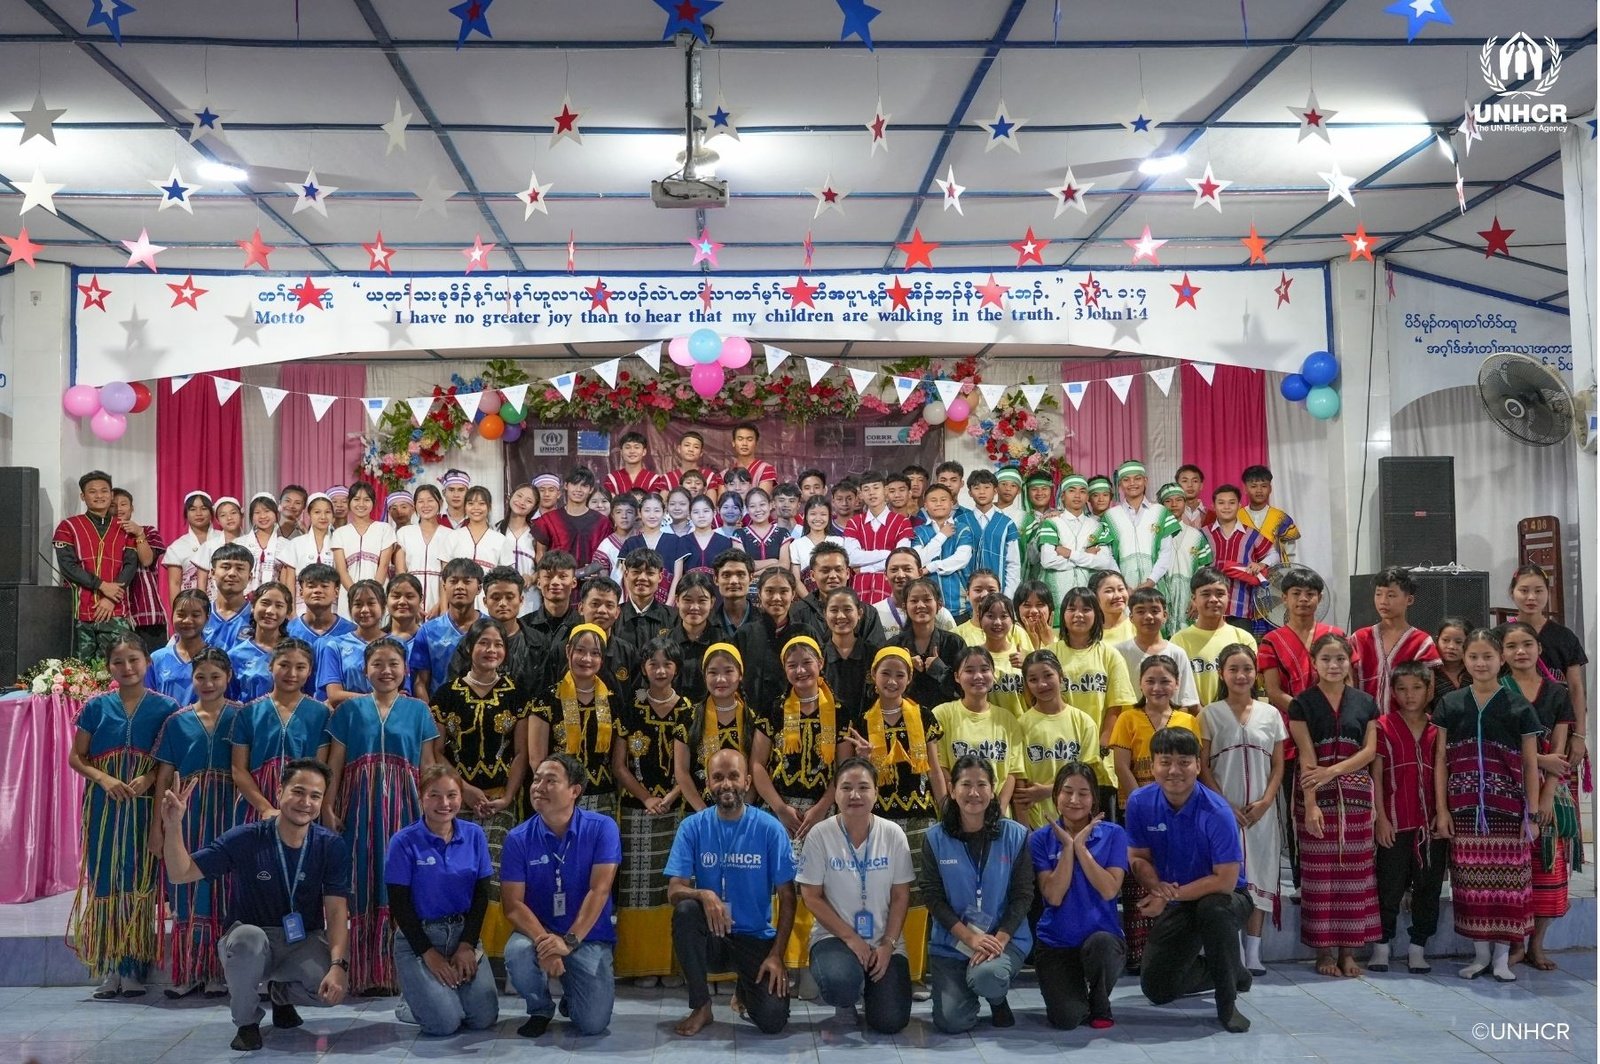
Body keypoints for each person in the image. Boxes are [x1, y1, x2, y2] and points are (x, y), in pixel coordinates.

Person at [160, 758, 351, 1051]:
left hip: (302, 941)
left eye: (315, 796)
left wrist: (338, 965)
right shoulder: (247, 838)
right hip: (252, 938)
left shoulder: (330, 845)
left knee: (327, 990)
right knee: (247, 940)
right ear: (279, 791)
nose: (306, 802)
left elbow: (336, 911)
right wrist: (173, 826)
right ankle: (247, 1022)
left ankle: (281, 995)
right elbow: (180, 873)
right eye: (298, 792)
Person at [325, 637, 440, 993]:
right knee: (361, 879)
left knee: (402, 881)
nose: (386, 671)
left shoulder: (419, 711)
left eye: (393, 664)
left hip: (406, 808)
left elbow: (428, 765)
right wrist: (328, 806)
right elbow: (335, 765)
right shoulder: (348, 711)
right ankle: (362, 971)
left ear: (405, 670)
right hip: (359, 807)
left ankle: (401, 972)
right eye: (377, 664)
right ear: (365, 671)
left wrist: (433, 810)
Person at [68, 634, 180, 998]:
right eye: (119, 662)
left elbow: (169, 760)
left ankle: (132, 966)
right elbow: (76, 757)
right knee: (105, 879)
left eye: (134, 660)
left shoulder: (166, 708)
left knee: (137, 879)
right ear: (108, 667)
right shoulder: (95, 707)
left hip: (143, 808)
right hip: (104, 807)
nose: (127, 668)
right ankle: (109, 967)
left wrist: (148, 778)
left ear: (148, 662)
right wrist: (103, 778)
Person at [1127, 727, 1254, 1033]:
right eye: (1165, 762)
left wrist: (1167, 895)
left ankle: (1227, 1003)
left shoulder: (1217, 811)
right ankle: (1230, 970)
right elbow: (1138, 858)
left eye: (1184, 762)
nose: (1174, 770)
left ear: (1198, 765)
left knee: (1214, 910)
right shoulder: (1139, 802)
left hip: (1226, 898)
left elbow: (1225, 881)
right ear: (1152, 765)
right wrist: (1156, 888)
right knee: (1157, 988)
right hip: (1179, 898)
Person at [1432, 627, 1542, 982]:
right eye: (1474, 656)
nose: (1481, 663)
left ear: (1501, 659)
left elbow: (1530, 764)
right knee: (1471, 885)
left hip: (1508, 810)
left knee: (1507, 887)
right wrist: (1442, 810)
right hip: (1464, 810)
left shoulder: (1518, 706)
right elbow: (1440, 760)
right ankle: (1480, 956)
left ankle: (1501, 959)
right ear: (1465, 660)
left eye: (1488, 656)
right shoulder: (1450, 703)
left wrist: (1532, 814)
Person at [666, 748, 796, 1036]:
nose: (726, 784)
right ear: (708, 784)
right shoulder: (692, 827)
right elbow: (674, 890)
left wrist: (777, 955)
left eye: (734, 776)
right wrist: (703, 895)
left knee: (773, 1020)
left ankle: (745, 989)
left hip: (754, 937)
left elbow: (788, 897)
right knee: (686, 911)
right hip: (713, 936)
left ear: (747, 782)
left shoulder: (770, 829)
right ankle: (702, 1006)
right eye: (718, 777)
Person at [501, 753, 621, 1038]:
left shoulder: (602, 828)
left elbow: (600, 889)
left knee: (593, 1025)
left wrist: (568, 942)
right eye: (537, 779)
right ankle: (540, 1008)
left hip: (586, 935)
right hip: (538, 932)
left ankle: (572, 996)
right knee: (517, 952)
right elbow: (513, 904)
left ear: (574, 791)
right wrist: (546, 943)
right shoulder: (517, 838)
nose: (538, 787)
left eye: (550, 781)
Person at [431, 618, 532, 959]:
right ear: (469, 648)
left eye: (498, 644)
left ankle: (494, 952)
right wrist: (464, 789)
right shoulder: (447, 694)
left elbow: (522, 752)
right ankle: (457, 946)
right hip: (455, 802)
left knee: (496, 874)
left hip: (501, 800)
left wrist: (508, 796)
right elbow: (437, 751)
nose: (491, 650)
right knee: (458, 870)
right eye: (484, 643)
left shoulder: (516, 694)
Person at [797, 757, 915, 1033]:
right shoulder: (820, 835)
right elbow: (811, 896)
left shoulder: (893, 834)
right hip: (835, 938)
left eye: (863, 787)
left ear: (876, 792)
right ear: (835, 792)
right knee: (841, 983)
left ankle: (872, 991)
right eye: (846, 788)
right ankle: (848, 996)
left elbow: (901, 896)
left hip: (884, 938)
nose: (855, 795)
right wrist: (851, 938)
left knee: (890, 1022)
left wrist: (887, 944)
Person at [150, 647, 243, 997]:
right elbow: (164, 776)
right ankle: (189, 970)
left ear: (228, 677)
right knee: (187, 886)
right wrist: (158, 827)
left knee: (226, 886)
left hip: (230, 810)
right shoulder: (177, 721)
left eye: (215, 676)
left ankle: (222, 971)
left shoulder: (242, 716)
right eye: (200, 677)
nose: (208, 683)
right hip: (187, 812)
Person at [918, 754, 1033, 1033]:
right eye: (965, 784)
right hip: (953, 941)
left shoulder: (1015, 835)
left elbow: (1023, 895)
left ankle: (996, 997)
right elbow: (933, 897)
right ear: (952, 789)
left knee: (988, 975)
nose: (974, 793)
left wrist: (997, 940)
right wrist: (970, 938)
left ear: (992, 790)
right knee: (952, 1022)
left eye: (982, 785)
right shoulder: (934, 838)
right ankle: (967, 988)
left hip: (1004, 938)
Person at [1289, 633, 1381, 978]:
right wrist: (1311, 804)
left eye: (1340, 659)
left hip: (1357, 798)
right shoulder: (1302, 703)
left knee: (1355, 875)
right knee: (1320, 878)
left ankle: (1349, 951)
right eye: (1326, 659)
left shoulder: (1366, 702)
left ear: (1349, 661)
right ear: (1314, 663)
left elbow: (1369, 751)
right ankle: (1324, 951)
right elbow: (1306, 756)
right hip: (1316, 795)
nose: (1333, 665)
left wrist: (1333, 771)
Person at [384, 763, 498, 1036]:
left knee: (483, 1018)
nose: (444, 803)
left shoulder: (474, 835)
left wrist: (467, 945)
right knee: (444, 1024)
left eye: (451, 795)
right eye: (434, 795)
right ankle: (410, 1002)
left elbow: (482, 896)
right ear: (421, 797)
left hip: (462, 935)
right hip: (420, 938)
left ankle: (440, 996)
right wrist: (429, 954)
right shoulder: (403, 841)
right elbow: (399, 905)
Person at [1198, 644, 1286, 977]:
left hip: (1261, 812)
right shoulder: (1210, 714)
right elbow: (1203, 766)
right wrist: (1223, 806)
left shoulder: (1271, 714)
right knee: (1228, 877)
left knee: (1260, 874)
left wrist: (1266, 801)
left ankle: (1253, 952)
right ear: (1222, 673)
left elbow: (1278, 765)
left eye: (1247, 669)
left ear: (1256, 673)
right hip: (1223, 812)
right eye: (1233, 669)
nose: (1241, 675)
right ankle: (1230, 950)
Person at [1110, 655, 1202, 969]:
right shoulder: (1127, 718)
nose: (1157, 687)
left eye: (1165, 681)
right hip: (1138, 808)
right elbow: (1121, 766)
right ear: (1140, 684)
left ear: (1177, 684)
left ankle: (1177, 955)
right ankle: (1140, 955)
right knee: (1140, 874)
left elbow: (1193, 767)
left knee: (1176, 874)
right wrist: (1144, 802)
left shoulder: (1188, 720)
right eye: (1150, 680)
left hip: (1180, 810)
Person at [611, 637, 693, 982]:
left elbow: (689, 768)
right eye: (653, 664)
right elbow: (619, 765)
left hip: (677, 810)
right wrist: (646, 798)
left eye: (667, 664)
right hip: (636, 810)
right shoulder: (630, 707)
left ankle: (672, 964)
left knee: (671, 884)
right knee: (636, 888)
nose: (660, 671)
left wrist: (670, 797)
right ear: (643, 668)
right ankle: (638, 964)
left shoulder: (689, 709)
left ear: (677, 668)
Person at [1499, 622, 1577, 972]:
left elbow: (1558, 753)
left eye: (1527, 644)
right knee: (1513, 872)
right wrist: (1538, 760)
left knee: (1548, 872)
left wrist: (1545, 798)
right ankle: (1515, 943)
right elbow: (1497, 746)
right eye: (1512, 646)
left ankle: (1536, 945)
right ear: (1502, 653)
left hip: (1549, 791)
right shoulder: (1497, 690)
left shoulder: (1557, 693)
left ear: (1539, 649)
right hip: (1507, 786)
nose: (1520, 651)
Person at [1031, 762, 1129, 1031]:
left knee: (1103, 945)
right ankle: (1075, 993)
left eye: (1083, 793)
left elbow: (1109, 889)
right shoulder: (1040, 839)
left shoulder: (1114, 834)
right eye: (1067, 791)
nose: (1074, 800)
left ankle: (1100, 1001)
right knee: (1067, 1019)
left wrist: (1081, 848)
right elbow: (1053, 896)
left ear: (1094, 798)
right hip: (1056, 943)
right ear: (1056, 796)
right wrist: (1067, 847)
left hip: (1101, 939)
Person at [1369, 661, 1447, 976]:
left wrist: (1442, 813)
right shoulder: (1381, 726)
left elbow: (1444, 773)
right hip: (1395, 821)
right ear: (1393, 692)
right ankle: (1381, 945)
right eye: (1402, 689)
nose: (1409, 695)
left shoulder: (1438, 728)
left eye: (1416, 688)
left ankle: (1418, 947)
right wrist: (1380, 818)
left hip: (1430, 823)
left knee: (1428, 885)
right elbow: (1376, 775)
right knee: (1388, 884)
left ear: (1429, 690)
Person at [1050, 587, 1137, 812]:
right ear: (1062, 614)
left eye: (1086, 609)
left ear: (1097, 614)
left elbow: (1117, 704)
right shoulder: (1051, 654)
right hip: (1060, 751)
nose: (1078, 614)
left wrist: (1102, 744)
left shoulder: (1110, 654)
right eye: (1072, 609)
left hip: (1100, 758)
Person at [528, 624, 621, 815]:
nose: (587, 659)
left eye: (595, 653)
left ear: (602, 659)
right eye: (580, 651)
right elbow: (536, 758)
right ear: (568, 651)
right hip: (558, 796)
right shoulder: (547, 700)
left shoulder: (613, 701)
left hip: (603, 796)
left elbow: (618, 760)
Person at [1509, 563, 1589, 787]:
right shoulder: (1500, 636)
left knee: (1557, 797)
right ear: (1512, 592)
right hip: (1512, 730)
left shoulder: (1564, 637)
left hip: (1558, 729)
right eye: (1524, 590)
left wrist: (1579, 735)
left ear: (1548, 592)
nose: (1531, 597)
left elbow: (1575, 688)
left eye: (1538, 590)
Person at [232, 641, 330, 820]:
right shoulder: (248, 713)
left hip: (302, 806)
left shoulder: (321, 713)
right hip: (256, 806)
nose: (292, 673)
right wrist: (265, 809)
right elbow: (238, 769)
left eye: (300, 667)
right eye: (284, 665)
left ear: (310, 671)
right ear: (270, 666)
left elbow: (319, 768)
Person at [1013, 649, 1104, 830]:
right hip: (1038, 826)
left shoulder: (1084, 722)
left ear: (1061, 676)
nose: (1042, 684)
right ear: (1026, 684)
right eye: (1033, 679)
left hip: (1079, 823)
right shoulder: (1020, 725)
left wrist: (1048, 791)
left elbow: (1089, 776)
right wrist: (1025, 833)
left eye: (1048, 675)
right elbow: (1020, 789)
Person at [55, 470, 138, 658]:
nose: (99, 496)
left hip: (115, 610)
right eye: (92, 491)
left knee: (116, 665)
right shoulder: (68, 527)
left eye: (104, 491)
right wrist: (101, 585)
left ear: (111, 495)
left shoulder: (125, 528)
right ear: (83, 496)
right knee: (79, 671)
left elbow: (130, 566)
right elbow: (68, 567)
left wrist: (111, 598)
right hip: (79, 612)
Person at [933, 647, 1025, 816]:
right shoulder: (941, 715)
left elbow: (1012, 772)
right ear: (957, 677)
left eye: (984, 670)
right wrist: (956, 807)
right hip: (956, 814)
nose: (978, 676)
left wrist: (999, 810)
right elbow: (940, 767)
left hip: (997, 816)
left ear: (993, 674)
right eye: (969, 671)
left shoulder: (1008, 719)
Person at [674, 644, 760, 809]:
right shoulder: (689, 718)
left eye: (728, 671)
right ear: (704, 676)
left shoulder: (753, 719)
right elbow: (681, 771)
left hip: (743, 812)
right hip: (698, 812)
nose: (721, 679)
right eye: (713, 673)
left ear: (740, 675)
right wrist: (704, 813)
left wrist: (743, 811)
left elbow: (756, 769)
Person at [1350, 567, 1441, 714]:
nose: (1383, 601)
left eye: (1391, 595)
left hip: (1404, 723)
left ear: (1409, 600)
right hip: (1365, 722)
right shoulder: (1359, 638)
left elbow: (1427, 692)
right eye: (1378, 594)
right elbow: (1349, 685)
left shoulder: (1422, 642)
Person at [1173, 567, 1259, 706]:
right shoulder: (1179, 641)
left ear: (1228, 597)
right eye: (1206, 594)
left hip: (1235, 715)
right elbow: (1177, 689)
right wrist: (1204, 714)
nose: (1213, 599)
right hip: (1193, 717)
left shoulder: (1244, 639)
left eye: (1220, 594)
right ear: (1194, 599)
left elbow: (1250, 685)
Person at [1091, 460, 1180, 591]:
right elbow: (1108, 555)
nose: (1132, 483)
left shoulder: (1161, 512)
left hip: (1155, 587)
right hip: (1123, 591)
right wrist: (1123, 585)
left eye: (1137, 478)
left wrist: (1150, 582)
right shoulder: (1110, 516)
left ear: (1145, 481)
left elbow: (1166, 553)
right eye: (1126, 480)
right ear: (1120, 484)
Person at [1113, 587, 1202, 710]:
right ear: (1131, 617)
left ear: (1165, 615)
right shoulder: (1119, 652)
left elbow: (1187, 699)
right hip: (1129, 721)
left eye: (1155, 611)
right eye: (1140, 611)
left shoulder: (1177, 653)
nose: (1148, 616)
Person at [410, 558, 486, 699]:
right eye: (454, 581)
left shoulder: (491, 628)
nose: (460, 587)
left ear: (479, 588)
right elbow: (420, 682)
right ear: (444, 586)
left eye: (467, 581)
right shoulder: (428, 631)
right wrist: (429, 712)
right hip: (439, 709)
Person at [1036, 474, 1113, 610]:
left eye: (1082, 491)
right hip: (1056, 591)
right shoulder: (1051, 523)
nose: (1077, 495)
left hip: (1089, 592)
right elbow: (1048, 561)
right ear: (1062, 496)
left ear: (1087, 497)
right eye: (1072, 491)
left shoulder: (1097, 526)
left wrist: (1069, 553)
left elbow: (1104, 562)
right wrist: (1085, 555)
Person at [1202, 483, 1272, 632]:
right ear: (1213, 506)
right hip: (1209, 605)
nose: (1226, 507)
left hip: (1241, 607)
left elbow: (1274, 554)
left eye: (1231, 503)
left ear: (1239, 505)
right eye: (1221, 503)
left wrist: (1261, 564)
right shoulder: (1203, 534)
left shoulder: (1251, 534)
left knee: (1242, 645)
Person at [842, 470, 914, 606]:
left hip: (891, 589)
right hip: (859, 591)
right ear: (860, 494)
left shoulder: (902, 522)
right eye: (866, 489)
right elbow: (851, 558)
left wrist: (864, 569)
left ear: (885, 490)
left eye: (876, 488)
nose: (871, 493)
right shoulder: (854, 522)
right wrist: (887, 553)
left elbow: (901, 560)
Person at [894, 577, 966, 713]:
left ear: (939, 605)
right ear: (904, 606)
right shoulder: (894, 646)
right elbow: (883, 688)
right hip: (906, 717)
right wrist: (906, 668)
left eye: (927, 600)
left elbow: (965, 688)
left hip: (947, 717)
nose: (921, 605)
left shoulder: (955, 643)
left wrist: (941, 670)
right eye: (914, 601)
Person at [111, 488, 168, 652]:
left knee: (153, 661)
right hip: (116, 611)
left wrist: (139, 534)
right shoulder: (104, 538)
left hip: (147, 611)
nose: (119, 508)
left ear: (132, 508)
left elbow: (147, 560)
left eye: (124, 504)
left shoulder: (148, 531)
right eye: (114, 505)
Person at [912, 484, 977, 621]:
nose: (939, 504)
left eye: (943, 499)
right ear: (925, 505)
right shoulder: (918, 531)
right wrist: (942, 536)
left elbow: (962, 558)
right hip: (927, 606)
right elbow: (918, 560)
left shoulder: (962, 529)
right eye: (933, 500)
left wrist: (931, 567)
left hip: (959, 606)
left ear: (952, 503)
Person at [821, 586, 881, 722]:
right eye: (834, 610)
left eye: (847, 609)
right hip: (828, 728)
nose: (841, 616)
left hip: (869, 729)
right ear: (825, 614)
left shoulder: (875, 655)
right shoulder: (817, 657)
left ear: (859, 613)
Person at [533, 466, 610, 570]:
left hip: (591, 578)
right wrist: (547, 574)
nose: (578, 489)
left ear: (591, 489)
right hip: (556, 577)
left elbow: (606, 556)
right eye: (574, 484)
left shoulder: (602, 522)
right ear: (566, 486)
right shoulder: (548, 520)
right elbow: (540, 554)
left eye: (584, 486)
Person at [395, 485, 453, 616]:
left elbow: (449, 575)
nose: (426, 505)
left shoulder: (450, 535)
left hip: (440, 596)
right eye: (421, 501)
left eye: (430, 500)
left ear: (440, 503)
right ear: (414, 506)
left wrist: (441, 605)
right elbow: (400, 571)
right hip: (409, 595)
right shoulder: (404, 533)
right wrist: (411, 602)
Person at [275, 493, 338, 611]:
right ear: (309, 515)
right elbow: (289, 580)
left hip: (332, 608)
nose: (323, 517)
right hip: (301, 608)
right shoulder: (296, 543)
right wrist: (291, 611)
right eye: (317, 512)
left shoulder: (338, 543)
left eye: (327, 512)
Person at [965, 469, 1022, 597]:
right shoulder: (960, 522)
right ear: (970, 493)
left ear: (995, 491)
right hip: (966, 593)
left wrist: (1007, 596)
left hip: (998, 592)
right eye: (976, 488)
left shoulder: (1007, 524)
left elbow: (1013, 564)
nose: (982, 492)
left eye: (987, 487)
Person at [149, 589, 209, 704]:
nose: (187, 620)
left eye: (195, 615)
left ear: (207, 618)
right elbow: (147, 699)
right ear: (172, 616)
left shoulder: (216, 658)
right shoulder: (157, 659)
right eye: (181, 615)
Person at [165, 491, 222, 602]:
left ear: (211, 512)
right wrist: (177, 611)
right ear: (186, 513)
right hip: (191, 606)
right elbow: (175, 584)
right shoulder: (177, 547)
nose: (198, 513)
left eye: (204, 508)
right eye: (192, 509)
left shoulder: (223, 539)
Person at [1238, 464, 1300, 566]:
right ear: (1245, 489)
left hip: (1275, 571)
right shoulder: (1237, 517)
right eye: (1253, 486)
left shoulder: (1281, 518)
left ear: (1270, 488)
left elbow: (1290, 553)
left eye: (1264, 486)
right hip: (1244, 571)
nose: (1259, 490)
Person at [497, 483, 542, 616]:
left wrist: (532, 578)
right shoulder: (495, 529)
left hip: (529, 597)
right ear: (510, 497)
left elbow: (543, 566)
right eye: (519, 496)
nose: (522, 502)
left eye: (528, 501)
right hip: (500, 595)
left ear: (534, 507)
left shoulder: (536, 533)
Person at [446, 484, 508, 579]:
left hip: (488, 588)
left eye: (481, 503)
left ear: (489, 507)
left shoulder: (500, 540)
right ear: (465, 507)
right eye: (471, 503)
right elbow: (445, 575)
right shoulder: (453, 536)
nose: (476, 508)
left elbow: (506, 576)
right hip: (458, 588)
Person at [203, 542, 256, 647]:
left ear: (250, 577)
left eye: (240, 568)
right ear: (212, 573)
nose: (232, 573)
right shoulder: (200, 614)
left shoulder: (257, 617)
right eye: (226, 567)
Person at [523, 550, 578, 639]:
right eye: (548, 577)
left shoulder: (583, 625)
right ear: (539, 583)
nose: (555, 582)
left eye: (562, 576)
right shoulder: (523, 626)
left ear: (574, 582)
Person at [605, 430, 669, 497]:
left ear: (644, 452)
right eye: (627, 447)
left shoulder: (653, 479)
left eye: (636, 447)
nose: (632, 451)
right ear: (621, 452)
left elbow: (654, 501)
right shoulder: (612, 478)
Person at [1432, 616, 1471, 708]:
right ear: (1437, 640)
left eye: (1458, 642)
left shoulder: (1475, 671)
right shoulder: (1430, 671)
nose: (1451, 646)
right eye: (1445, 640)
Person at [667, 430, 722, 495]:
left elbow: (711, 501)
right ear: (679, 449)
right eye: (687, 445)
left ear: (701, 452)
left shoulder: (709, 476)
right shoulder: (668, 478)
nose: (691, 449)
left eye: (696, 447)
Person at [1090, 569, 1135, 645]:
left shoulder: (1140, 626)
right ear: (1095, 597)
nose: (1117, 596)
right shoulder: (1089, 635)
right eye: (1109, 591)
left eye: (1121, 589)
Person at [730, 422, 778, 493]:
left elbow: (762, 497)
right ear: (733, 442)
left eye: (749, 439)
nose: (744, 444)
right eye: (740, 439)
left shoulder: (765, 469)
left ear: (756, 443)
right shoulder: (727, 472)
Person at [1176, 464, 1213, 528]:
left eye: (1195, 481)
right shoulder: (1169, 516)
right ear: (1177, 486)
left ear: (1201, 486)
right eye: (1185, 481)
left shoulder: (1214, 516)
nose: (1190, 485)